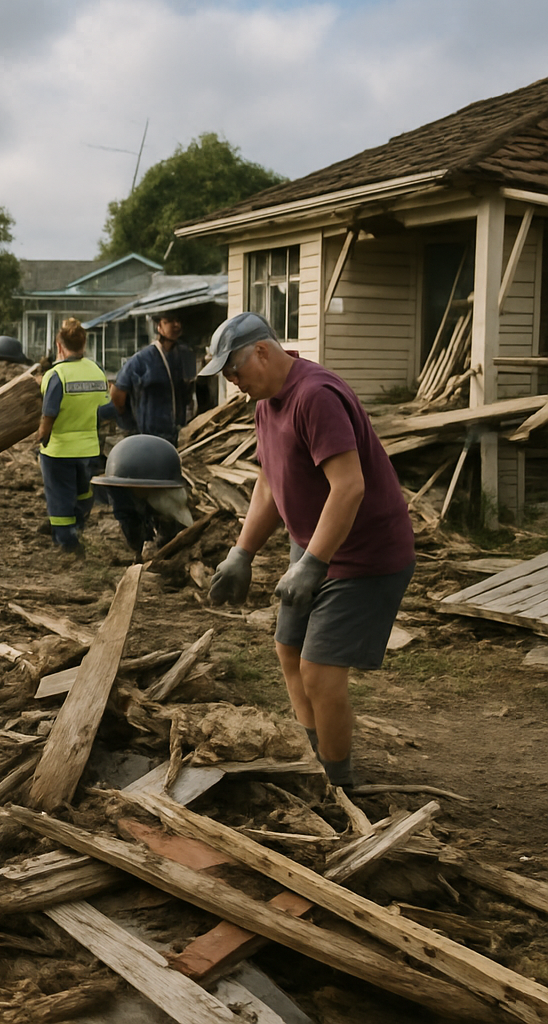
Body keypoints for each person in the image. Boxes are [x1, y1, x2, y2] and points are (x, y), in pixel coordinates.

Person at [202, 312, 415, 789]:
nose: (232, 382)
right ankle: (316, 755)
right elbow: (269, 481)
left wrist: (313, 563)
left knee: (319, 671)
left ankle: (339, 786)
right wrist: (243, 552)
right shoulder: (266, 400)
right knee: (288, 650)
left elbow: (348, 488)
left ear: (262, 351)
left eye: (233, 370)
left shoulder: (315, 396)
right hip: (314, 547)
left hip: (363, 554)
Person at [108, 311, 196, 554]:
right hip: (147, 437)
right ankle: (140, 541)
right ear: (159, 326)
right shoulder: (142, 359)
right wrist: (132, 426)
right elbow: (118, 395)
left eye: (179, 320)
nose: (176, 325)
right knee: (140, 493)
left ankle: (168, 538)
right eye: (170, 321)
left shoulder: (185, 356)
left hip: (177, 437)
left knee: (172, 494)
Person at [36, 318, 115, 554]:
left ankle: (66, 540)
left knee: (59, 495)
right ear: (84, 344)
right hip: (89, 448)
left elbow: (48, 414)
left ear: (59, 346)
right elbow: (106, 410)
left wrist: (41, 437)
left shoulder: (56, 375)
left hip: (58, 450)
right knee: (83, 492)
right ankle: (77, 525)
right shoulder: (96, 370)